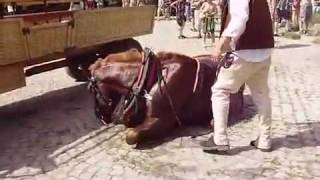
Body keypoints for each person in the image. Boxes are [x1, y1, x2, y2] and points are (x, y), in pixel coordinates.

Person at [200, 0, 274, 152]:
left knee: (220, 90)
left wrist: (221, 43)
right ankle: (265, 140)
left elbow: (240, 18)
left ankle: (219, 139)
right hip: (264, 52)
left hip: (243, 51)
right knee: (262, 95)